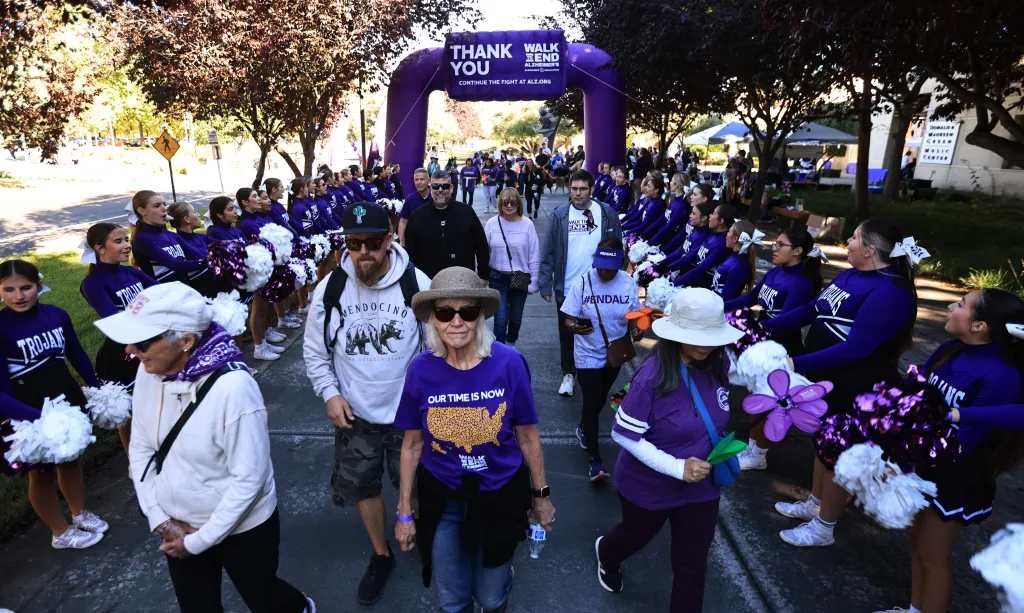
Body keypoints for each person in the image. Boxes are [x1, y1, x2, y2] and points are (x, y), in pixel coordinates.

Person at [94, 282, 314, 613]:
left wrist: (197, 541)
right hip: (176, 523)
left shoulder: (234, 390)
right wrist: (161, 520)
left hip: (243, 527)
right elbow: (140, 448)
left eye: (141, 341)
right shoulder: (148, 370)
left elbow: (249, 480)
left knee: (264, 598)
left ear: (185, 341)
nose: (129, 349)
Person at [393, 266, 556, 613]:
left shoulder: (510, 364)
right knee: (452, 599)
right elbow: (411, 444)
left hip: (500, 493)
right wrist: (405, 511)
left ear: (479, 315)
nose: (457, 322)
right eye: (445, 312)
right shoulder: (420, 370)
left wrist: (541, 497)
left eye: (467, 311)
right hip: (443, 496)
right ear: (433, 320)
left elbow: (527, 437)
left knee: (492, 596)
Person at [762, 218, 919, 547]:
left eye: (854, 237)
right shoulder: (852, 275)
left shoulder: (892, 291)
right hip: (829, 379)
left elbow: (857, 348)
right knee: (823, 445)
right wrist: (767, 326)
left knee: (839, 457)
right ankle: (817, 504)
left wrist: (794, 362)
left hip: (857, 387)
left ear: (870, 249)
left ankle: (824, 527)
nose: (847, 241)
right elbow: (811, 310)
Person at [303, 201, 430, 606]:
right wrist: (330, 393)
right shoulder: (332, 288)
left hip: (409, 416)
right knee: (364, 488)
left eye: (372, 243)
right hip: (355, 414)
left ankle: (426, 541)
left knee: (421, 487)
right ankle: (381, 555)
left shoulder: (416, 284)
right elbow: (314, 350)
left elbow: (437, 348)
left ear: (390, 240)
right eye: (354, 243)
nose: (363, 253)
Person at [874, 289, 1024, 613]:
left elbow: (966, 439)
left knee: (933, 556)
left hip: (955, 475)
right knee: (916, 547)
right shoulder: (950, 350)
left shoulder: (1002, 376)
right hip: (922, 463)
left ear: (979, 325)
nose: (950, 306)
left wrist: (905, 463)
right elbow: (917, 397)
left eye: (960, 305)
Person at [595, 288, 742, 612]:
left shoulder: (719, 362)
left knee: (692, 567)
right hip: (648, 487)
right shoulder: (652, 377)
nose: (705, 344)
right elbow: (623, 434)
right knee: (635, 537)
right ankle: (607, 552)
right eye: (695, 336)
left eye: (711, 336)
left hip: (701, 488)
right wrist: (678, 468)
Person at [0, 259, 109, 550]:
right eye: (9, 289)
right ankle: (60, 532)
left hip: (65, 398)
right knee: (42, 472)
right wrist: (33, 418)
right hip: (29, 411)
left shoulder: (56, 315)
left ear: (39, 286)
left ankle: (78, 512)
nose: (18, 296)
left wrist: (96, 388)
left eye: (25, 287)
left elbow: (77, 354)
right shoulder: (1, 327)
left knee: (71, 459)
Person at [726, 227, 823, 470]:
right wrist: (718, 306)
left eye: (781, 244)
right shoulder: (775, 272)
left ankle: (759, 454)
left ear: (798, 251)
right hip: (761, 341)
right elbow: (750, 300)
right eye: (774, 244)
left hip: (780, 350)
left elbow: (788, 320)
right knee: (755, 399)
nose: (774, 248)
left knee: (768, 405)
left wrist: (753, 330)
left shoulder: (801, 282)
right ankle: (750, 447)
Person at [560, 240, 642, 481]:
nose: (604, 272)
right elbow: (568, 318)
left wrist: (637, 329)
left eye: (610, 268)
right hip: (587, 354)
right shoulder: (584, 282)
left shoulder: (627, 282)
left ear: (620, 263)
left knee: (598, 401)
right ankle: (595, 461)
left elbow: (633, 316)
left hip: (614, 352)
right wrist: (574, 327)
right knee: (592, 400)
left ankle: (585, 427)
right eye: (600, 267)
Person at [539, 169, 623, 398]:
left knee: (597, 333)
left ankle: (595, 375)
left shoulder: (606, 213)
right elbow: (549, 251)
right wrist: (545, 284)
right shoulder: (560, 215)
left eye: (582, 189)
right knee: (568, 335)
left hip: (599, 287)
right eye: (574, 189)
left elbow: (618, 250)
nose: (577, 193)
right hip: (568, 288)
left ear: (592, 189)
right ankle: (569, 374)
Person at [80, 223, 156, 453]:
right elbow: (115, 321)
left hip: (150, 343)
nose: (127, 245)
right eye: (119, 241)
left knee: (156, 405)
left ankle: (160, 451)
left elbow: (162, 292)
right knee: (130, 413)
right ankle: (136, 461)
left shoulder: (131, 272)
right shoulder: (93, 283)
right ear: (100, 248)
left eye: (126, 240)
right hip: (123, 352)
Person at [405, 171, 490, 282]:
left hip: (463, 282)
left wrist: (483, 274)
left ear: (451, 188)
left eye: (444, 186)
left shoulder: (467, 212)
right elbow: (410, 251)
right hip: (428, 283)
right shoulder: (417, 216)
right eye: (436, 186)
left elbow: (481, 245)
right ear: (431, 188)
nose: (440, 190)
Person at [484, 188, 540, 346]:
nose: (509, 205)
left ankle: (511, 342)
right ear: (500, 203)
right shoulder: (491, 224)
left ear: (518, 203)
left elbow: (534, 254)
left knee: (515, 319)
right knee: (500, 320)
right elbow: (483, 251)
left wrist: (534, 281)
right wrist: (481, 274)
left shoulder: (527, 224)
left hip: (520, 278)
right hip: (497, 277)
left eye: (513, 202)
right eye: (505, 202)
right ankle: (500, 352)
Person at [130, 190, 207, 285]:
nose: (164, 208)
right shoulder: (142, 239)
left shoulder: (172, 235)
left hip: (185, 293)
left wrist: (222, 254)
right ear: (141, 211)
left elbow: (198, 256)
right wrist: (212, 262)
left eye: (164, 204)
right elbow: (176, 265)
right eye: (157, 205)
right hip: (164, 296)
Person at [671, 203, 738, 289]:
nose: (710, 216)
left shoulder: (722, 244)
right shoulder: (713, 235)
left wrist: (674, 284)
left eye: (713, 213)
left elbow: (700, 269)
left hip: (701, 291)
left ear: (721, 221)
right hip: (692, 283)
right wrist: (665, 267)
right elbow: (689, 256)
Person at [167, 201, 217, 298]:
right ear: (186, 219)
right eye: (194, 212)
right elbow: (202, 257)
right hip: (201, 294)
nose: (198, 215)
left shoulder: (200, 237)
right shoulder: (179, 242)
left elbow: (224, 245)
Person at [710, 220, 758, 302]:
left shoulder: (739, 267)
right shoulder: (733, 257)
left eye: (728, 232)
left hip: (719, 311)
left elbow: (726, 299)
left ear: (735, 239)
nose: (726, 235)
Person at [649, 174, 693, 248]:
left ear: (676, 185)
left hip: (670, 241)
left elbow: (669, 227)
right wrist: (644, 234)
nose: (670, 182)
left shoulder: (682, 205)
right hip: (663, 236)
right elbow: (662, 219)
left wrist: (650, 243)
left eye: (672, 180)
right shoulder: (675, 200)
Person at [623, 175, 666, 241]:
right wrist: (624, 227)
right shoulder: (650, 201)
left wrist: (627, 232)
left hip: (647, 238)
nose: (645, 188)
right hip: (642, 233)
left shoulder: (656, 206)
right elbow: (640, 221)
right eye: (646, 185)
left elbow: (644, 227)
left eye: (649, 186)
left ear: (656, 190)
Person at [399, 168, 432, 245]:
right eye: (416, 180)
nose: (419, 182)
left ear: (429, 181)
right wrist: (401, 241)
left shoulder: (436, 198)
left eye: (422, 179)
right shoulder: (410, 199)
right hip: (414, 242)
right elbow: (403, 221)